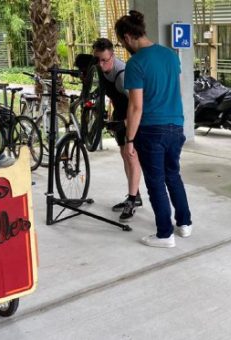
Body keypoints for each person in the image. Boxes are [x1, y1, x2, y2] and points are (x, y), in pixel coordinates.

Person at [116, 10, 192, 248]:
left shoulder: (136, 63)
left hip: (151, 130)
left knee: (156, 182)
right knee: (173, 176)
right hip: (176, 126)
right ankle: (185, 224)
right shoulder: (170, 56)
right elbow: (175, 91)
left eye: (121, 41)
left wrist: (129, 140)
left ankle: (164, 234)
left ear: (128, 37)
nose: (123, 45)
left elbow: (136, 107)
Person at [91, 38, 143, 221]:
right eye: (97, 59)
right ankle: (134, 194)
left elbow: (137, 103)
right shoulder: (100, 68)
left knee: (132, 156)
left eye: (105, 60)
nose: (101, 63)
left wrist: (130, 123)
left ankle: (132, 200)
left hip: (132, 116)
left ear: (112, 56)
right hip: (121, 115)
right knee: (124, 155)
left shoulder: (122, 74)